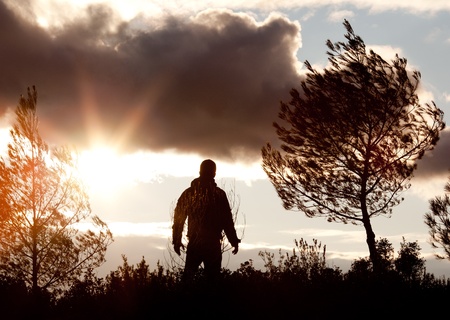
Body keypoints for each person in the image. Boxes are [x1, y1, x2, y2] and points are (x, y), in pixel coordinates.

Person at [172, 159, 240, 281]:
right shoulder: (219, 194)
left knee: (189, 280)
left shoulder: (189, 193)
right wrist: (233, 240)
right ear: (214, 173)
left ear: (200, 171)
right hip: (210, 243)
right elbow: (227, 220)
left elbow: (178, 219)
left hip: (197, 243)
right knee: (211, 282)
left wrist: (176, 240)